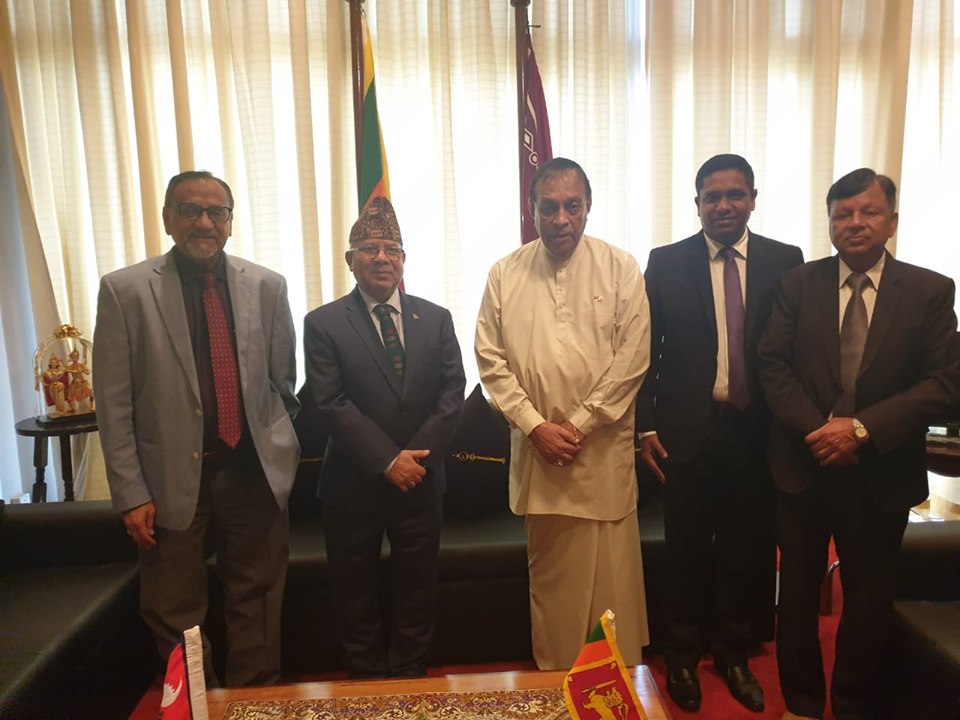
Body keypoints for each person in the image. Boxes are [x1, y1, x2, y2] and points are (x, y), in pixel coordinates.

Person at [757, 168, 960, 720]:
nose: (855, 223)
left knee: (868, 600)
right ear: (829, 223)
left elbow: (944, 383)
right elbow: (772, 364)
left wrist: (862, 429)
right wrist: (820, 431)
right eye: (842, 214)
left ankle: (852, 705)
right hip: (802, 467)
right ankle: (801, 704)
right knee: (796, 597)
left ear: (891, 221)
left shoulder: (929, 290)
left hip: (881, 471)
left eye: (868, 212)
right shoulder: (798, 284)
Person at [93, 170, 300, 687]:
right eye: (190, 210)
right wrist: (131, 492)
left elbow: (282, 383)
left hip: (253, 476)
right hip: (168, 483)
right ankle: (197, 705)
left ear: (230, 221)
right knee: (174, 610)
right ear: (168, 218)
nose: (205, 223)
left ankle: (254, 706)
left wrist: (278, 450)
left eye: (217, 212)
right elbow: (113, 404)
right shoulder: (125, 291)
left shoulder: (267, 286)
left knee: (259, 601)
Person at [636, 154, 803, 713]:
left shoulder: (785, 261)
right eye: (712, 197)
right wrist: (645, 424)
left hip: (757, 433)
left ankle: (733, 654)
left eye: (734, 195)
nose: (723, 205)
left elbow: (796, 349)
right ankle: (682, 657)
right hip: (686, 433)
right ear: (698, 204)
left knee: (743, 548)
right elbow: (643, 353)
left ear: (753, 198)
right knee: (683, 549)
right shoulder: (666, 262)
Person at [475, 157, 651, 670]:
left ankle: (613, 688)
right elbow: (490, 360)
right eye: (548, 207)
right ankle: (555, 684)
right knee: (554, 590)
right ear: (531, 209)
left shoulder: (620, 267)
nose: (561, 219)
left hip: (601, 457)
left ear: (588, 206)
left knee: (613, 589)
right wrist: (536, 427)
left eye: (572, 206)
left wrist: (578, 425)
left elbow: (633, 358)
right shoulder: (505, 273)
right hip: (542, 460)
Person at [304, 196, 465, 678]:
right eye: (369, 249)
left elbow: (452, 392)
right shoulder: (323, 323)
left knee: (418, 590)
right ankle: (366, 683)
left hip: (421, 482)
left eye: (391, 249)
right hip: (352, 486)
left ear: (403, 260)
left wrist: (415, 461)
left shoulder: (435, 318)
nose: (381, 258)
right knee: (354, 593)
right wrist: (388, 461)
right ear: (350, 260)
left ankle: (410, 678)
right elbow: (329, 402)